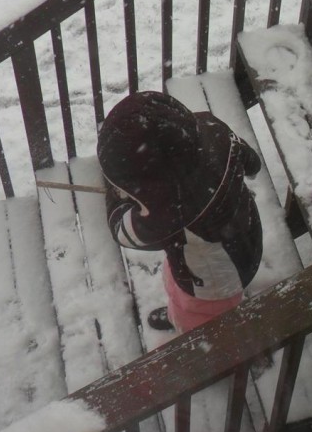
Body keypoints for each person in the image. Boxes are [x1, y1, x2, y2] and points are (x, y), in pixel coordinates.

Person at [97, 91, 263, 333]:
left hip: (212, 284)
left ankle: (202, 340)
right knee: (178, 282)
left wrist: (116, 195)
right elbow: (252, 162)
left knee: (199, 319)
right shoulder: (210, 130)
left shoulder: (170, 213)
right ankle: (182, 312)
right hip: (245, 234)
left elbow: (121, 230)